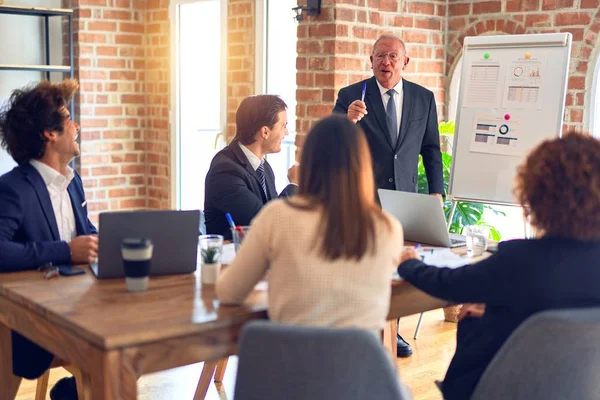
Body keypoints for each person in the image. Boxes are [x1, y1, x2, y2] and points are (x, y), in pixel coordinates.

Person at [397, 132, 600, 400]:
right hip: (577, 389)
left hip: (503, 389)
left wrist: (409, 263)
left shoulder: (520, 260)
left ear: (537, 193)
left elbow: (448, 284)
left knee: (471, 312)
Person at [216, 114, 404, 338]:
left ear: (308, 161)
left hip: (289, 367)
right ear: (364, 163)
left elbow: (228, 292)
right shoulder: (388, 228)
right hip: (361, 369)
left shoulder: (277, 217)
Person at [333, 32, 444, 357]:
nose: (386, 62)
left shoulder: (424, 98)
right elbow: (333, 140)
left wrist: (437, 191)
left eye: (393, 56)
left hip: (404, 199)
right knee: (366, 267)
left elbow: (431, 149)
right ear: (371, 61)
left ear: (405, 62)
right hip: (364, 198)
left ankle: (391, 330)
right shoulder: (352, 95)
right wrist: (348, 120)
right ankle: (370, 331)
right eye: (380, 56)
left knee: (395, 269)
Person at [0, 79, 98, 400]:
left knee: (122, 345)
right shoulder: (14, 188)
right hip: (32, 326)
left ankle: (72, 392)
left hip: (80, 309)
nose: (77, 126)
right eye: (69, 119)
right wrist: (66, 251)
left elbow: (84, 236)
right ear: (50, 133)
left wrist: (111, 242)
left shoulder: (73, 183)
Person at [204, 94, 297, 240]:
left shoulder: (265, 168)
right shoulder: (224, 170)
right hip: (231, 259)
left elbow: (275, 216)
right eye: (284, 126)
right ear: (265, 132)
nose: (286, 132)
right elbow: (268, 223)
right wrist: (294, 184)